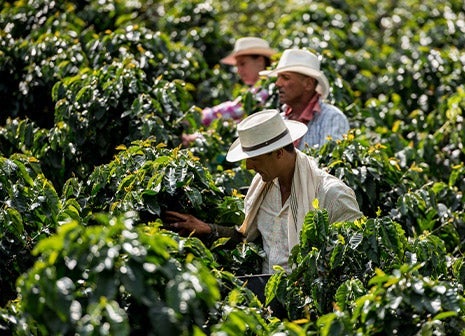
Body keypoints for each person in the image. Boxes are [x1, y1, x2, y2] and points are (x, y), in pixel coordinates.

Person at [166, 109, 363, 274]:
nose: (248, 165)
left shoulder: (332, 195)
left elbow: (353, 260)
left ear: (279, 153)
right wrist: (208, 229)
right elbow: (246, 237)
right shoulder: (263, 187)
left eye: (255, 158)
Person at [259, 48, 350, 149]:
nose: (278, 83)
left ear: (308, 84)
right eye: (278, 77)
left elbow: (330, 162)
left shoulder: (332, 118)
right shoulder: (280, 120)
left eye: (286, 77)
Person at [201, 37, 276, 126]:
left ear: (260, 61)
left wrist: (202, 116)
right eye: (237, 65)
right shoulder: (255, 89)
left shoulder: (269, 86)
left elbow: (237, 109)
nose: (238, 71)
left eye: (242, 64)